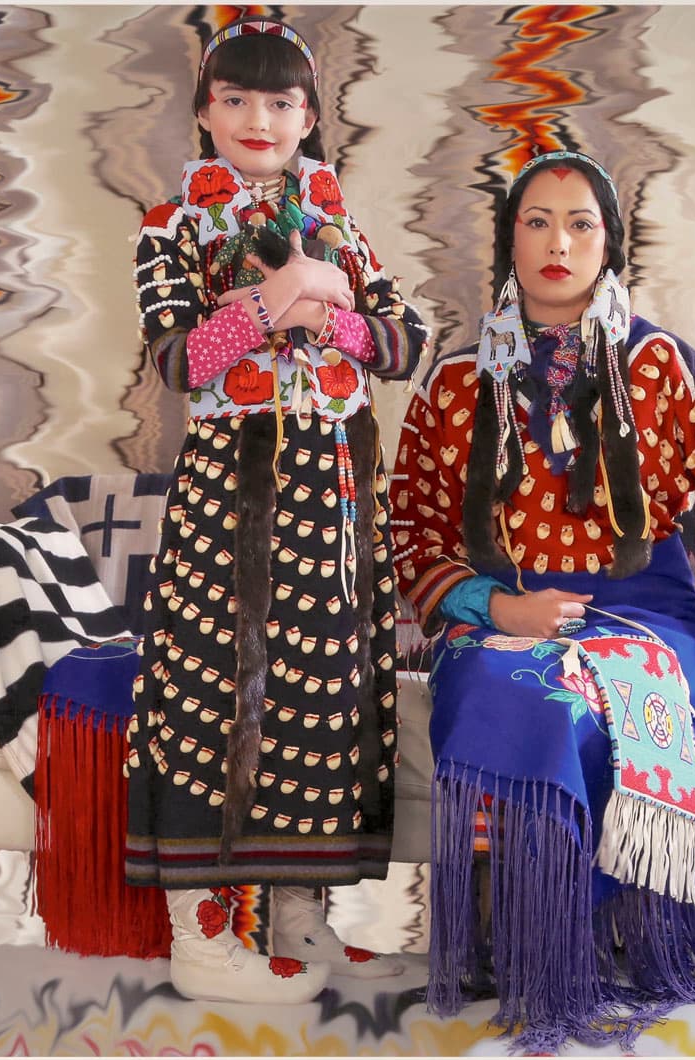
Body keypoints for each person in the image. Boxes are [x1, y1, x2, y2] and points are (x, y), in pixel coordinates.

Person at [390, 149, 695, 1049]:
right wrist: (499, 611)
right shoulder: (456, 380)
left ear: (610, 245)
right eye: (536, 221)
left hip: (643, 611)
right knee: (506, 690)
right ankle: (523, 936)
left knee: (600, 694)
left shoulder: (662, 366)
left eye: (581, 224)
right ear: (509, 240)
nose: (558, 242)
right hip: (505, 608)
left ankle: (579, 935)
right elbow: (412, 533)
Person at [124, 16, 428, 1004]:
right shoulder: (170, 224)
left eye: (283, 101)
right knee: (216, 695)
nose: (261, 118)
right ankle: (201, 937)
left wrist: (321, 304)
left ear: (308, 114)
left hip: (333, 490)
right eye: (238, 98)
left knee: (323, 702)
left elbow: (399, 343)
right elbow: (178, 361)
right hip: (231, 491)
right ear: (207, 108)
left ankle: (299, 922)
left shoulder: (339, 218)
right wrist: (277, 301)